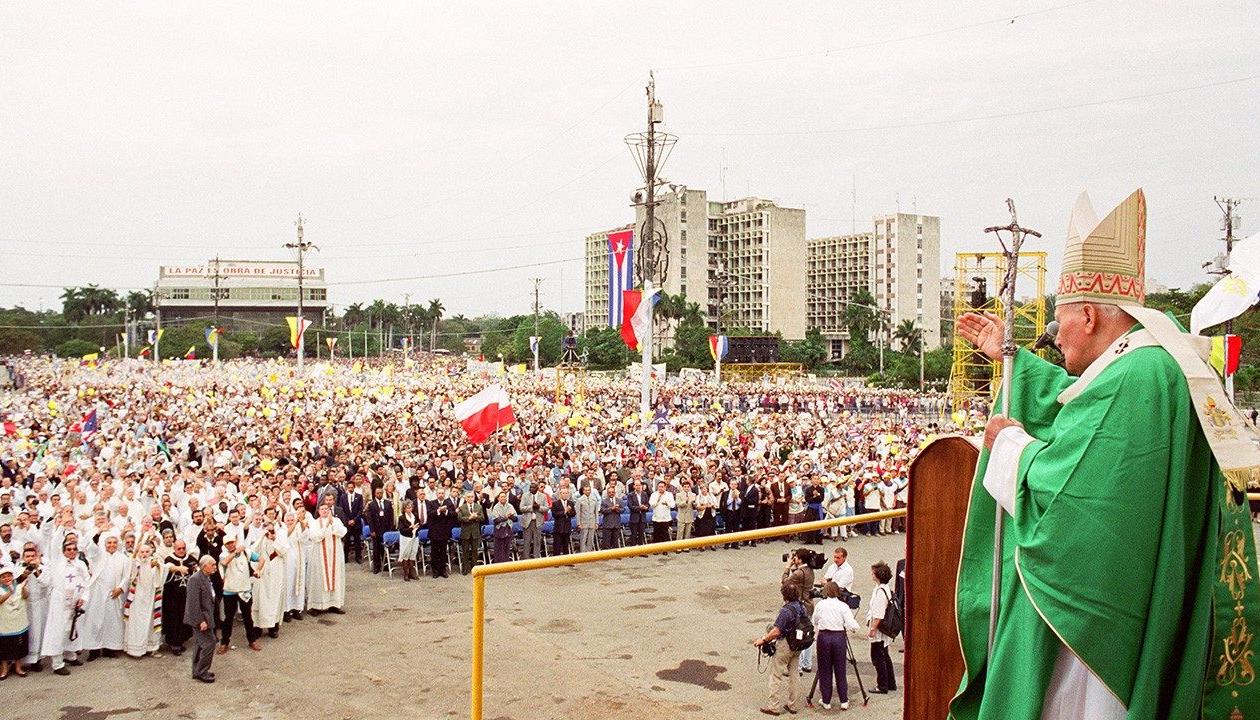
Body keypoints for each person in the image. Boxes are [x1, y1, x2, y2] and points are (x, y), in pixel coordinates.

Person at [951, 189, 1260, 718]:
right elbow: (1081, 411)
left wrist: (1008, 448)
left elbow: (1073, 491)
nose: (1054, 333)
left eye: (1059, 317)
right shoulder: (1155, 363)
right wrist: (1014, 363)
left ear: (1089, 316)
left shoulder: (1135, 377)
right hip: (1145, 590)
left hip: (1100, 631)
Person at [752, 584, 806, 716]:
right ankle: (793, 705)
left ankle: (774, 706)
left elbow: (777, 631)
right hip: (798, 644)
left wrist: (764, 639)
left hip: (785, 645)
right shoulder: (802, 607)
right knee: (794, 674)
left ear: (784, 596)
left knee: (776, 675)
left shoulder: (786, 611)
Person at [42, 536, 89, 675]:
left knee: (72, 629)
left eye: (74, 549)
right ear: (63, 551)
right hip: (60, 603)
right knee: (59, 631)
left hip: (75, 602)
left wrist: (84, 598)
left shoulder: (81, 564)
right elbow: (54, 542)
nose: (72, 552)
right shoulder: (57, 563)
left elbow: (87, 581)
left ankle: (71, 655)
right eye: (68, 549)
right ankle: (57, 664)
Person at [811, 581, 860, 711]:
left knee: (824, 669)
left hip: (824, 637)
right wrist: (854, 627)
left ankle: (826, 700)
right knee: (840, 668)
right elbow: (851, 624)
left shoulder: (821, 605)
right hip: (838, 637)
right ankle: (844, 699)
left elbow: (814, 621)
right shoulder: (843, 606)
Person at [82, 532, 128, 660]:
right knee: (95, 620)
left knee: (112, 621)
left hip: (114, 593)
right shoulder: (99, 555)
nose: (112, 545)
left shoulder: (123, 558)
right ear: (105, 544)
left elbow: (126, 575)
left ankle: (110, 649)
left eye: (114, 542)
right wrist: (97, 534)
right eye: (109, 543)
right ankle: (94, 650)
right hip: (98, 593)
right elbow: (92, 549)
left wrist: (120, 588)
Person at [217, 534, 260, 653]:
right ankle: (224, 642)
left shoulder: (245, 552)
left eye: (232, 542)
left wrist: (258, 569)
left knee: (248, 617)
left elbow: (260, 558)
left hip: (244, 590)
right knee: (228, 618)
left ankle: (252, 640)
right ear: (225, 545)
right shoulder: (223, 554)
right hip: (229, 591)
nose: (231, 545)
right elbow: (225, 562)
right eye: (228, 543)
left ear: (235, 541)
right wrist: (236, 552)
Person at [121, 543, 163, 657]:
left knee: (150, 621)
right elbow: (131, 574)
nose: (144, 554)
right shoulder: (135, 563)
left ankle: (151, 647)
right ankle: (135, 650)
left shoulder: (155, 562)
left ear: (151, 552)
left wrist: (158, 567)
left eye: (147, 552)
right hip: (137, 598)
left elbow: (159, 578)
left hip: (150, 597)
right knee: (136, 623)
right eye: (142, 552)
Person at [306, 502, 347, 614]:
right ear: (318, 511)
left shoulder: (336, 521)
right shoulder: (314, 523)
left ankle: (334, 604)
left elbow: (343, 532)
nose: (324, 511)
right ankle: (317, 606)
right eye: (322, 509)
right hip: (320, 554)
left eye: (326, 509)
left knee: (336, 577)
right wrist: (326, 526)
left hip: (335, 553)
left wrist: (332, 523)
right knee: (319, 578)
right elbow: (315, 537)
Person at [184, 555, 217, 683]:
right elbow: (193, 603)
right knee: (210, 643)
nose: (215, 567)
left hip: (206, 617)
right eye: (213, 564)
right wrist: (200, 621)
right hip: (201, 619)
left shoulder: (205, 577)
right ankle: (202, 671)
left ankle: (197, 670)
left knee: (199, 644)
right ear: (205, 566)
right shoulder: (195, 579)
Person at [161, 539, 196, 655]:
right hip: (172, 597)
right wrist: (178, 568)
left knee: (184, 618)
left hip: (186, 596)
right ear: (174, 549)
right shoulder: (169, 559)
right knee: (173, 619)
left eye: (183, 548)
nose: (181, 551)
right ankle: (173, 643)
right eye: (178, 549)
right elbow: (168, 567)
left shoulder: (190, 559)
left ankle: (181, 640)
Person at [866, 560, 896, 694]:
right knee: (885, 655)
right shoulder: (885, 589)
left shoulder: (880, 592)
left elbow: (878, 614)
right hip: (884, 629)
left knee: (877, 657)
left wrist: (872, 629)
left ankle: (882, 685)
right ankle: (890, 683)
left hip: (879, 629)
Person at [20, 546, 48, 672]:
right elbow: (15, 584)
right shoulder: (18, 569)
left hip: (39, 604)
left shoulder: (43, 569)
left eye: (32, 556)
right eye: (27, 556)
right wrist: (25, 573)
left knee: (38, 632)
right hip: (24, 605)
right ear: (23, 557)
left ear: (36, 557)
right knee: (25, 632)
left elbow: (46, 584)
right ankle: (21, 660)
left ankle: (36, 660)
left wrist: (36, 570)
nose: (30, 559)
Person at [0, 563, 29, 678]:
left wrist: (23, 588)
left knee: (18, 646)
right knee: (4, 648)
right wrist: (10, 592)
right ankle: (4, 669)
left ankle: (18, 667)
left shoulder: (19, 585)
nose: (7, 578)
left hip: (19, 622)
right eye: (3, 576)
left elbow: (26, 596)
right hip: (5, 624)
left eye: (9, 576)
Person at [427, 487, 456, 578]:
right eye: (439, 493)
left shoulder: (448, 503)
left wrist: (446, 511)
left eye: (442, 493)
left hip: (444, 531)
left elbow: (453, 514)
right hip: (434, 532)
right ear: (436, 494)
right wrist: (439, 510)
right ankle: (435, 570)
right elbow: (430, 513)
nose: (441, 495)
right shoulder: (431, 503)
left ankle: (443, 570)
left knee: (443, 551)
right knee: (434, 552)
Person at [366, 485, 393, 575]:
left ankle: (385, 565)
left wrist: (390, 529)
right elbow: (369, 519)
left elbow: (391, 517)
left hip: (386, 529)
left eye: (381, 493)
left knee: (384, 549)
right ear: (375, 494)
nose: (379, 494)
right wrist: (372, 530)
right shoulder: (371, 504)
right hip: (376, 530)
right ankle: (376, 567)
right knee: (376, 549)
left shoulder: (387, 503)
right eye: (377, 493)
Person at [456, 491, 484, 574]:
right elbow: (460, 518)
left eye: (472, 497)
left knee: (475, 551)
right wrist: (470, 518)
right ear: (465, 498)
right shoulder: (462, 507)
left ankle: (474, 569)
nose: (470, 498)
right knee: (465, 551)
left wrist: (476, 517)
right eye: (468, 497)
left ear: (474, 498)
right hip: (466, 532)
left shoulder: (479, 507)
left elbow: (482, 517)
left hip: (475, 532)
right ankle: (465, 569)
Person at [489, 491, 516, 563]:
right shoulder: (496, 507)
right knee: (499, 550)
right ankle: (499, 566)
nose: (503, 498)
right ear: (498, 498)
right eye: (502, 497)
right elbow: (495, 520)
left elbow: (515, 518)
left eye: (504, 496)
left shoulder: (510, 506)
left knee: (507, 548)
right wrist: (506, 517)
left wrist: (511, 516)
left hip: (508, 529)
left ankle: (506, 566)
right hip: (499, 530)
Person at [397, 499, 420, 581]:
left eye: (411, 507)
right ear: (404, 509)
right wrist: (411, 528)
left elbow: (419, 524)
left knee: (413, 554)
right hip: (405, 538)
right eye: (407, 507)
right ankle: (406, 573)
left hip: (415, 537)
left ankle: (412, 573)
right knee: (406, 555)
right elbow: (402, 530)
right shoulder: (401, 518)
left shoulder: (415, 515)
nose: (410, 509)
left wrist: (416, 528)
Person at [574, 483, 599, 554]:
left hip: (592, 521)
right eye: (586, 490)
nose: (588, 491)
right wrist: (578, 523)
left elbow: (596, 512)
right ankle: (582, 553)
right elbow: (578, 513)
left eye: (589, 490)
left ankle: (589, 553)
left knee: (590, 539)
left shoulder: (594, 499)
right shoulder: (579, 500)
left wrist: (597, 522)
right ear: (583, 491)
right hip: (583, 522)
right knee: (583, 538)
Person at [550, 487, 575, 556]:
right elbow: (554, 514)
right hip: (558, 527)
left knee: (566, 545)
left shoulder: (571, 503)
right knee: (557, 545)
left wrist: (569, 512)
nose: (565, 495)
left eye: (566, 493)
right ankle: (556, 562)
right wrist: (565, 511)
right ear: (560, 494)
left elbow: (573, 514)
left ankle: (566, 561)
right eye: (563, 493)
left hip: (567, 527)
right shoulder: (555, 503)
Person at [597, 485, 621, 550]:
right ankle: (606, 555)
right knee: (606, 541)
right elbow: (602, 510)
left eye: (612, 492)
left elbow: (623, 509)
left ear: (615, 493)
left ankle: (616, 554)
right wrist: (611, 508)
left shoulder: (619, 500)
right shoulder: (604, 501)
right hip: (608, 524)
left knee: (616, 540)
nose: (611, 493)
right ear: (607, 493)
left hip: (616, 523)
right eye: (610, 492)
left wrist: (617, 509)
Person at [626, 480, 649, 546]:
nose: (638, 486)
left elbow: (647, 504)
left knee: (641, 534)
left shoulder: (644, 494)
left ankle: (641, 550)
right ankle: (633, 551)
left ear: (641, 486)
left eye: (639, 485)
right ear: (634, 486)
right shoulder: (630, 495)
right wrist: (640, 507)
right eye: (636, 485)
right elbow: (630, 506)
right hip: (634, 517)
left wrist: (646, 507)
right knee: (634, 534)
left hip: (642, 517)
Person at [675, 479, 696, 547]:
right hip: (681, 515)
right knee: (680, 532)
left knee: (687, 532)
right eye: (685, 487)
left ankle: (686, 546)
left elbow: (694, 505)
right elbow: (678, 504)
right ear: (682, 487)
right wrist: (685, 501)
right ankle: (678, 546)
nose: (687, 488)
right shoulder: (678, 495)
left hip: (689, 515)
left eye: (688, 487)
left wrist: (694, 504)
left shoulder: (693, 494)